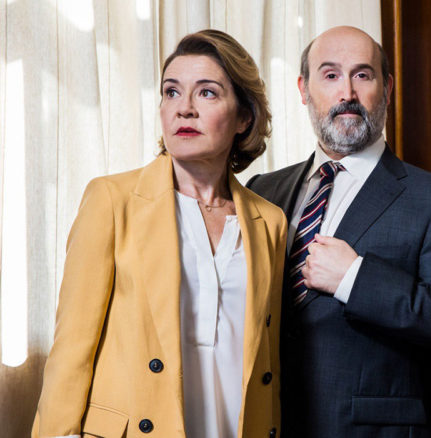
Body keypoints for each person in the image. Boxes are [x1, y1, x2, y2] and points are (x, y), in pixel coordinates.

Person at [31, 30, 286, 438]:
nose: (184, 109)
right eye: (171, 92)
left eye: (207, 93)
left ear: (244, 117)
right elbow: (71, 351)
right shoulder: (111, 200)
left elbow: (266, 363)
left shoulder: (269, 222)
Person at [246, 26, 431, 437]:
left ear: (386, 88)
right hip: (269, 423)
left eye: (362, 75)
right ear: (303, 89)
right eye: (330, 75)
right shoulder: (262, 191)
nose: (347, 93)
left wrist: (354, 278)